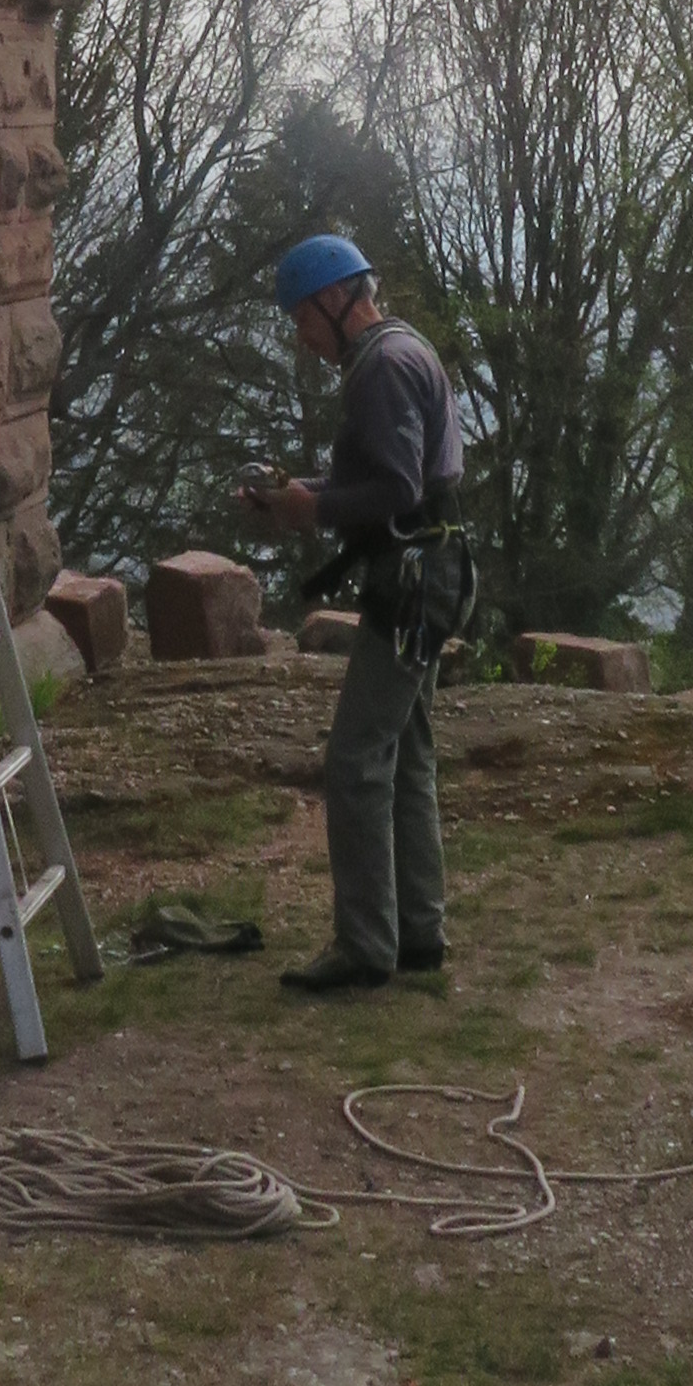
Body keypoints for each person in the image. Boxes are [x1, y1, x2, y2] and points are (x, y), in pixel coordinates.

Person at [245, 231, 464, 995]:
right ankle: (418, 933)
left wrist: (312, 510)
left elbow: (398, 489)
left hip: (412, 582)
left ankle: (368, 944)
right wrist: (296, 494)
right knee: (406, 752)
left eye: (303, 319)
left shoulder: (383, 368)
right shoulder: (399, 350)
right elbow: (387, 480)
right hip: (428, 573)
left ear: (336, 298)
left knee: (356, 759)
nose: (302, 339)